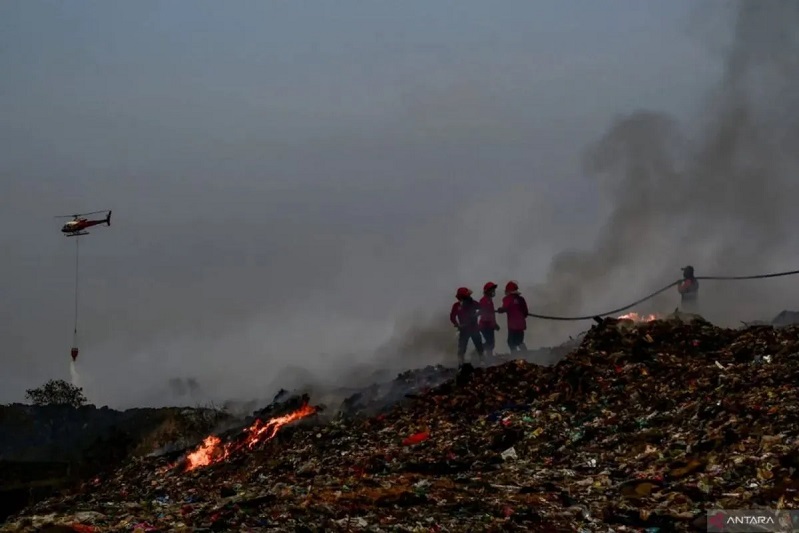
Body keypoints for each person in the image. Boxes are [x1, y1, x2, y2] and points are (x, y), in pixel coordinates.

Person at [450, 287, 484, 367]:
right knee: (462, 347)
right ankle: (460, 364)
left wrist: (477, 314)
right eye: (467, 295)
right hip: (464, 330)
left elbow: (482, 308)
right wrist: (456, 324)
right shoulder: (456, 306)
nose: (469, 297)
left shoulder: (473, 303)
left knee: (479, 345)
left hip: (474, 328)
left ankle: (482, 361)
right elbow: (452, 317)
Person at [496, 281, 529, 352]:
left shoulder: (507, 299)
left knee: (511, 342)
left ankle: (515, 356)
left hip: (513, 326)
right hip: (521, 325)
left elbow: (504, 308)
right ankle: (526, 354)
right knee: (519, 342)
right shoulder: (521, 299)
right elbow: (526, 312)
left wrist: (500, 310)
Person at [478, 282, 500, 358]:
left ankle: (489, 358)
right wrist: (492, 323)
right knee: (489, 343)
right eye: (491, 290)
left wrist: (494, 323)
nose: (493, 291)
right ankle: (478, 353)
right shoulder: (483, 300)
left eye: (493, 290)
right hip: (485, 326)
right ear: (487, 291)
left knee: (491, 344)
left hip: (490, 326)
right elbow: (485, 315)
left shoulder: (489, 300)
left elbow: (491, 314)